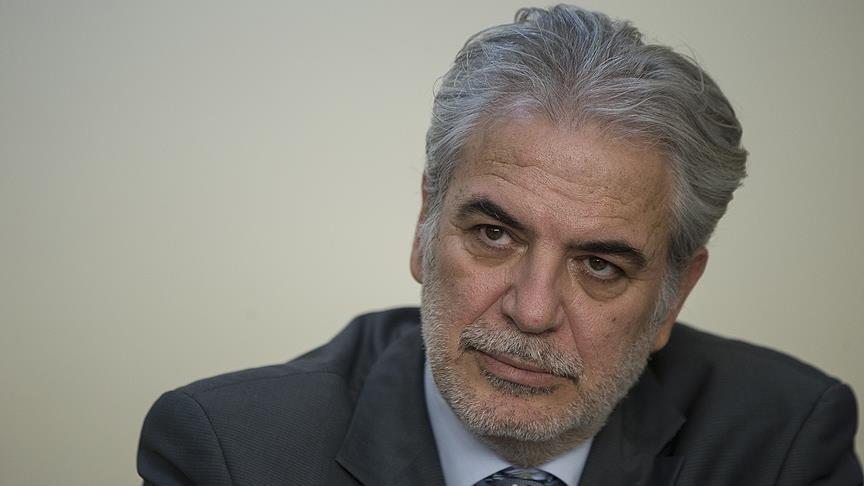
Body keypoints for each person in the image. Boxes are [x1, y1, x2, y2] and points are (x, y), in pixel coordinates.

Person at [137, 5, 862, 485]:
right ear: (425, 227)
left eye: (600, 265)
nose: (532, 311)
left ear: (675, 295)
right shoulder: (234, 454)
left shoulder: (784, 444)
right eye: (493, 234)